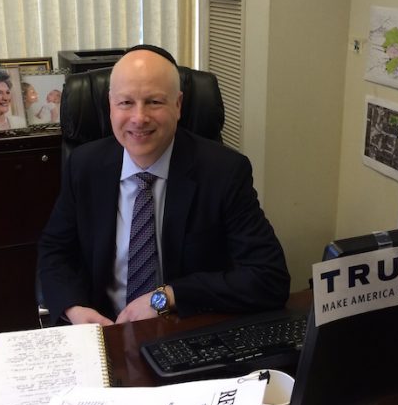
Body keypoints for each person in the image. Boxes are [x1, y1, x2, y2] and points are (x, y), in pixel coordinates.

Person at [37, 45, 290, 326]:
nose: (139, 118)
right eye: (126, 103)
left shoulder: (223, 172)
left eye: (154, 102)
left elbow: (269, 277)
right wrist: (73, 308)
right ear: (110, 105)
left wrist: (167, 296)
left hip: (183, 328)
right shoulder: (85, 165)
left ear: (178, 105)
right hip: (105, 327)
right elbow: (55, 250)